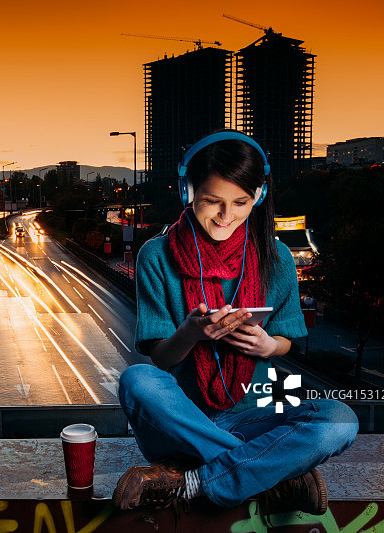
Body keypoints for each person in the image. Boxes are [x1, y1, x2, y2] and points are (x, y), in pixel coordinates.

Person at [113, 131, 358, 515]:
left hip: (257, 414)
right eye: (213, 201)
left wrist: (268, 346)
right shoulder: (155, 256)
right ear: (187, 191)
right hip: (181, 424)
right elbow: (160, 359)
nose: (226, 216)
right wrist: (191, 332)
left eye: (241, 202)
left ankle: (193, 481)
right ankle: (272, 473)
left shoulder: (275, 256)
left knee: (340, 419)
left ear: (258, 196)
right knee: (136, 381)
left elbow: (286, 340)